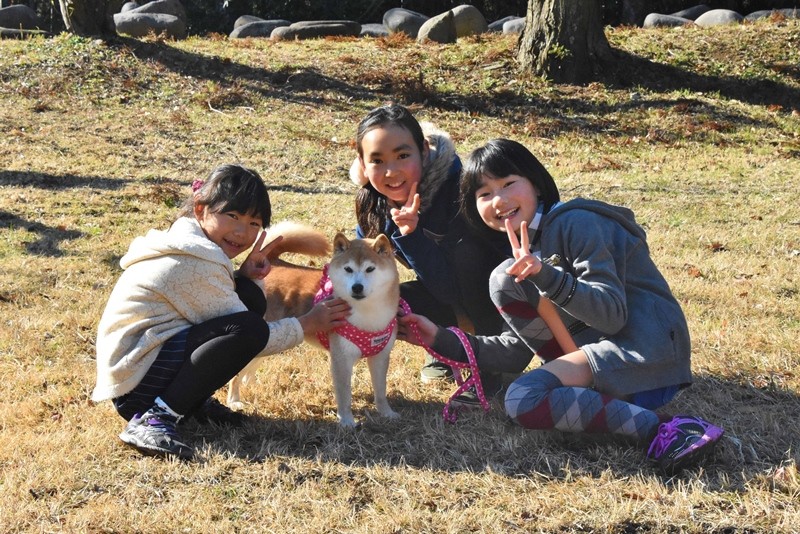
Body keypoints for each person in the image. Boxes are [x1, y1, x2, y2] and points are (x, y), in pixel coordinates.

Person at [399, 139, 724, 474]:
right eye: (484, 194)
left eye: (508, 183)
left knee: (522, 398)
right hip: (596, 356)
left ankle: (669, 428)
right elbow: (513, 354)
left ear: (536, 184)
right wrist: (438, 337)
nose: (499, 200)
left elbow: (611, 316)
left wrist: (546, 275)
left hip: (646, 351)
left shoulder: (577, 223)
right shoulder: (522, 257)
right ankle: (611, 409)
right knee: (504, 283)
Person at [92, 164, 349, 460]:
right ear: (200, 210)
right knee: (249, 329)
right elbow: (253, 337)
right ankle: (156, 417)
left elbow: (225, 306)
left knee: (249, 298)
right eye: (233, 216)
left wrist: (244, 276)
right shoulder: (192, 262)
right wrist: (306, 324)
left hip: (144, 366)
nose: (242, 232)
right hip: (137, 387)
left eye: (254, 223)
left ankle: (192, 402)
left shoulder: (194, 247)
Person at [350, 103, 506, 397]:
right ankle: (444, 347)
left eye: (403, 156)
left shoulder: (461, 190)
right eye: (377, 160)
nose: (391, 171)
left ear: (423, 150)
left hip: (496, 297)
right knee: (380, 297)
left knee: (468, 258)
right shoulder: (373, 203)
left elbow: (454, 287)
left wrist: (411, 236)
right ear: (362, 163)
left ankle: (492, 363)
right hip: (443, 287)